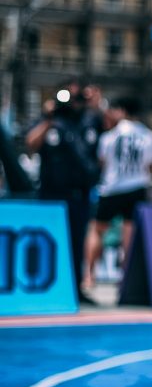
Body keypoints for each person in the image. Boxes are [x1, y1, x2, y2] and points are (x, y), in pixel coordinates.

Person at [24, 82, 100, 302]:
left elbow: (111, 128)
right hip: (50, 195)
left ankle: (76, 290)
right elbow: (30, 143)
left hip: (79, 194)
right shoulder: (50, 121)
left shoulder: (89, 120)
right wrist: (49, 117)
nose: (73, 103)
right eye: (69, 97)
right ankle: (43, 289)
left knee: (76, 243)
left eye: (78, 98)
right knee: (47, 242)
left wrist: (93, 104)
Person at [81, 97, 152, 292]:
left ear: (122, 111)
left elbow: (102, 162)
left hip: (112, 188)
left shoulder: (110, 135)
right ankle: (125, 279)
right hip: (137, 187)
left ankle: (89, 275)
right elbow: (150, 166)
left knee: (96, 230)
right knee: (129, 235)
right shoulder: (148, 135)